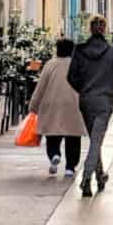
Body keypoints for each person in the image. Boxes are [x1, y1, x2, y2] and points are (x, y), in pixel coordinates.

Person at [67, 15, 113, 198]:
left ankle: (100, 176)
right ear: (104, 28)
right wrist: (111, 88)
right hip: (104, 100)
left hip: (86, 101)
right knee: (96, 140)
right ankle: (86, 178)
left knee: (95, 138)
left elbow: (71, 77)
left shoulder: (80, 50)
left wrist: (83, 89)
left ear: (90, 28)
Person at [29, 38, 89, 180]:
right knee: (73, 137)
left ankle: (54, 155)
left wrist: (33, 105)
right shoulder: (79, 65)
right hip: (73, 104)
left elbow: (40, 87)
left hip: (52, 104)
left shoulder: (50, 64)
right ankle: (70, 167)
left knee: (52, 135)